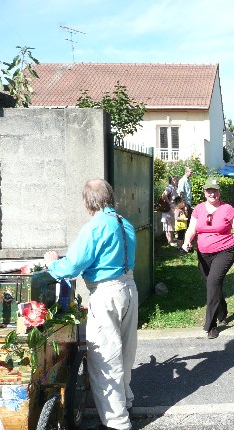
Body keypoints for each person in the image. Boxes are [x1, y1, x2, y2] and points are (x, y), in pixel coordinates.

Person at [44, 179, 137, 430]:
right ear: (110, 197)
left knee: (105, 357)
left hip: (105, 292)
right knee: (125, 351)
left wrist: (53, 263)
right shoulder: (125, 222)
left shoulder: (95, 226)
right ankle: (126, 401)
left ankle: (117, 422)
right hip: (129, 288)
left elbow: (73, 265)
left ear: (88, 202)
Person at [183, 177, 234, 339]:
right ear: (204, 192)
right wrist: (187, 241)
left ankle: (211, 325)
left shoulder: (227, 209)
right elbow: (192, 229)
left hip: (225, 251)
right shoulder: (198, 209)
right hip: (203, 254)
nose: (212, 194)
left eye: (214, 191)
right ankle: (222, 313)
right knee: (213, 284)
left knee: (212, 282)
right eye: (209, 190)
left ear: (219, 192)